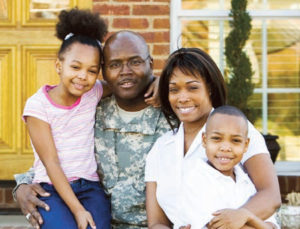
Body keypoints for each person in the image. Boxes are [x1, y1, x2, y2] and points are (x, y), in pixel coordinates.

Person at [14, 30, 170, 229]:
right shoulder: (92, 106)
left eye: (136, 62)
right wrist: (21, 186)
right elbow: (52, 160)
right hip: (68, 199)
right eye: (114, 65)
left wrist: (163, 83)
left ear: (150, 64)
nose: (125, 71)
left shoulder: (172, 114)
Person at [145, 48, 281, 229]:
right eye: (174, 90)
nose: (182, 97)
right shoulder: (161, 148)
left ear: (209, 88)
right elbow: (157, 223)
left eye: (192, 87)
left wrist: (237, 218)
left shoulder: (236, 131)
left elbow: (271, 195)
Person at [21, 8, 112, 229]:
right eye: (75, 67)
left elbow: (125, 86)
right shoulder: (38, 106)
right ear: (59, 65)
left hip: (89, 187)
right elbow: (51, 161)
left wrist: (157, 83)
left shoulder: (93, 92)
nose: (83, 76)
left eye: (92, 71)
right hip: (50, 187)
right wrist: (78, 210)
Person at [177, 105, 278, 228]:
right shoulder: (195, 179)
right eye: (217, 138)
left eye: (235, 140)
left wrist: (246, 215)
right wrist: (252, 220)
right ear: (204, 140)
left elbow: (271, 226)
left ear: (246, 145)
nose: (225, 148)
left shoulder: (245, 180)